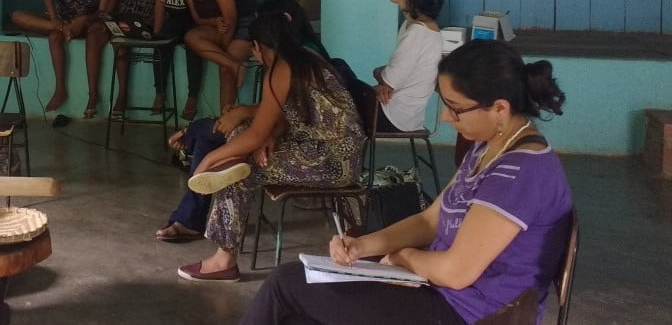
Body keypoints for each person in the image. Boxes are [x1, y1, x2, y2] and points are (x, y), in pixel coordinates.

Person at [240, 39, 572, 324]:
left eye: (455, 108)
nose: (445, 117)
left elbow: (457, 272)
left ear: (499, 108)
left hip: (468, 314)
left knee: (286, 283)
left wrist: (405, 257)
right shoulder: (489, 148)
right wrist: (363, 246)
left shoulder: (520, 173)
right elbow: (431, 220)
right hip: (438, 294)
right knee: (298, 311)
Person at [175, 7, 365, 282]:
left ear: (256, 46)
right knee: (240, 143)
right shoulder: (305, 58)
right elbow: (287, 117)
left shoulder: (280, 68)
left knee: (240, 169)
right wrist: (268, 134)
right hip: (331, 152)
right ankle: (222, 250)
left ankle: (222, 261)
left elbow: (256, 134)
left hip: (333, 161)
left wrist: (209, 160)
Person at [156, 0, 318, 243]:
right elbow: (288, 109)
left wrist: (209, 161)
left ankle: (215, 248)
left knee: (230, 160)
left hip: (314, 151)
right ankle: (193, 143)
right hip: (302, 139)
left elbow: (282, 116)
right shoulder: (297, 55)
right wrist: (256, 120)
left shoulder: (294, 61)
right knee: (223, 134)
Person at [11, 0, 116, 112]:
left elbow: (102, 12)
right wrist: (54, 19)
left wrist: (83, 20)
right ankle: (59, 29)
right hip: (59, 19)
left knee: (54, 37)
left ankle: (65, 90)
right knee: (17, 16)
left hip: (81, 25)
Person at [175, 0, 259, 115]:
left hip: (246, 23)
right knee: (190, 37)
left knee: (225, 68)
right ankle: (236, 65)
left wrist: (224, 47)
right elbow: (198, 19)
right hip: (219, 26)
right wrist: (213, 22)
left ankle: (226, 121)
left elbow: (231, 18)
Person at [83, 0, 159, 119]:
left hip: (140, 25)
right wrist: (106, 18)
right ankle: (93, 94)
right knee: (93, 34)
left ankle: (122, 95)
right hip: (119, 19)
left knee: (121, 43)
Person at [372, 0, 444, 133]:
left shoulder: (417, 31)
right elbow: (393, 77)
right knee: (341, 72)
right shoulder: (412, 24)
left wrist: (378, 73)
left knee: (338, 87)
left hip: (394, 116)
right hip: (401, 113)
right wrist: (384, 80)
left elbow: (391, 79)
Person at [143, 0, 204, 120]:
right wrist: (156, 31)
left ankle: (192, 97)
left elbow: (196, 7)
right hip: (175, 21)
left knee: (193, 46)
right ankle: (160, 93)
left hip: (193, 20)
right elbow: (160, 4)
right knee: (160, 44)